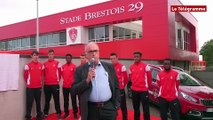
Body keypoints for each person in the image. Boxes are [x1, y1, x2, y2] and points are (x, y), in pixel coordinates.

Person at [72, 42, 120, 120]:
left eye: (96, 51)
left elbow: (116, 86)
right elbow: (74, 90)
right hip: (91, 109)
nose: (93, 54)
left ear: (99, 52)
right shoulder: (80, 70)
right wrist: (87, 80)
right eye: (90, 51)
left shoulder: (109, 67)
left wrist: (116, 104)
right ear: (86, 55)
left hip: (108, 108)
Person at [129, 51, 152, 120]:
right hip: (134, 91)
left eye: (137, 56)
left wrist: (146, 88)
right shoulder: (131, 67)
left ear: (140, 57)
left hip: (143, 91)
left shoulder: (146, 66)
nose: (135, 58)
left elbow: (149, 79)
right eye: (134, 56)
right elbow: (130, 77)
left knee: (146, 108)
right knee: (136, 108)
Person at [24, 50, 43, 120]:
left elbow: (41, 75)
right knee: (29, 103)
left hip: (38, 87)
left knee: (38, 102)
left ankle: (39, 115)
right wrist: (30, 83)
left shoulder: (41, 65)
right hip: (30, 88)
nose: (36, 57)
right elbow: (25, 77)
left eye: (37, 55)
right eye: (34, 55)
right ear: (31, 56)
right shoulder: (27, 65)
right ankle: (28, 117)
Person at [43, 49, 62, 119]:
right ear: (48, 55)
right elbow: (44, 74)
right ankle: (45, 113)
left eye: (52, 54)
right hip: (47, 85)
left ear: (54, 55)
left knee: (56, 100)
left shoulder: (57, 63)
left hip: (55, 85)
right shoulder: (45, 64)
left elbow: (60, 74)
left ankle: (59, 113)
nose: (51, 55)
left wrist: (56, 81)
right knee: (47, 100)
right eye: (49, 54)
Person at [110, 53, 128, 120]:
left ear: (117, 58)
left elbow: (126, 79)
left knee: (123, 106)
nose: (112, 60)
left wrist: (122, 86)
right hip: (112, 90)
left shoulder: (122, 67)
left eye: (114, 58)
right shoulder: (110, 67)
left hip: (120, 90)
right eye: (111, 59)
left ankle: (125, 118)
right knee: (113, 105)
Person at [61, 54, 78, 119]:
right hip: (65, 86)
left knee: (74, 101)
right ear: (65, 59)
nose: (68, 59)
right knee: (66, 101)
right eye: (67, 58)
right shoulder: (63, 66)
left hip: (72, 87)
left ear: (71, 59)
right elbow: (62, 75)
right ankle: (66, 113)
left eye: (69, 58)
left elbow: (76, 76)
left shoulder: (74, 66)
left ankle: (75, 113)